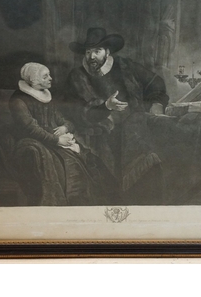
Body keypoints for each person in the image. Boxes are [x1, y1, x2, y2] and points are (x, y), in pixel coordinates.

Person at [64, 28, 169, 204]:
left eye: (97, 51)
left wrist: (157, 103)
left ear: (107, 52)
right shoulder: (77, 76)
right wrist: (106, 107)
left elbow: (156, 83)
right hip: (100, 134)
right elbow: (77, 113)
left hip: (135, 128)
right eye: (88, 52)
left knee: (153, 160)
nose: (91, 57)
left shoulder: (126, 66)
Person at [8, 62, 118, 206]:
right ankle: (74, 202)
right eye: (45, 76)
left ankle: (102, 201)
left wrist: (65, 128)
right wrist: (57, 140)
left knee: (90, 159)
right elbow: (31, 129)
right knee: (71, 164)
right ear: (34, 80)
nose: (50, 78)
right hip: (33, 141)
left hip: (54, 139)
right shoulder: (18, 101)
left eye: (49, 75)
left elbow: (65, 121)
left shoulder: (46, 96)